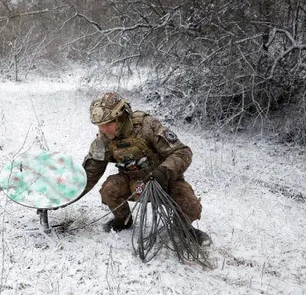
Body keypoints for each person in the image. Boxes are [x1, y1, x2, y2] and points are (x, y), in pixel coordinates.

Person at [82, 92, 211, 246]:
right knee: (109, 189)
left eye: (108, 123)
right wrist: (66, 196)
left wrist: (163, 172)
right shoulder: (103, 139)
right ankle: (123, 220)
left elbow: (182, 152)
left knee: (190, 205)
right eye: (100, 125)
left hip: (163, 180)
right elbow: (91, 172)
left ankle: (183, 228)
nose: (104, 129)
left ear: (121, 117)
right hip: (132, 182)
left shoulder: (147, 126)